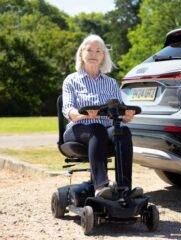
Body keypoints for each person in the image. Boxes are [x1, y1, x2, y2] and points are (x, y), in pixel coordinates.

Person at [62, 34, 135, 198]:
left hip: (105, 127)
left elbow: (118, 109)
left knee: (123, 131)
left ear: (103, 56)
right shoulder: (71, 80)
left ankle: (124, 188)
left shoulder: (110, 82)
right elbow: (67, 109)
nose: (93, 54)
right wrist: (81, 114)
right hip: (78, 128)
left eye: (98, 51)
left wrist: (126, 116)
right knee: (97, 129)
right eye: (89, 50)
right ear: (81, 54)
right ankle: (101, 187)